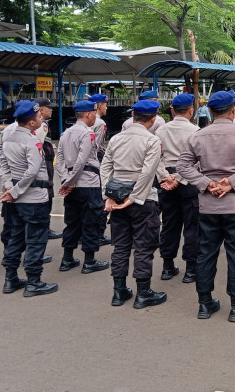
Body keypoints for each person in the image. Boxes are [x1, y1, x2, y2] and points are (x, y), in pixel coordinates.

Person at [177, 90, 235, 322]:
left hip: (208, 205)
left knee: (205, 254)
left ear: (210, 111)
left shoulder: (198, 136)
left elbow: (183, 166)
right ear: (234, 110)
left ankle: (205, 304)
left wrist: (207, 183)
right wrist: (233, 182)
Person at [101, 99, 166, 309]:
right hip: (143, 200)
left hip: (117, 198)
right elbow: (148, 173)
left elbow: (105, 168)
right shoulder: (152, 140)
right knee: (143, 247)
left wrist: (108, 196)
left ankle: (118, 292)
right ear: (153, 118)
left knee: (120, 246)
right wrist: (134, 197)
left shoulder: (115, 139)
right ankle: (143, 293)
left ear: (133, 116)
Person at [0, 100, 58, 297]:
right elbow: (33, 170)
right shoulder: (31, 140)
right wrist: (15, 191)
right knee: (35, 240)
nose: (41, 119)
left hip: (15, 199)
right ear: (32, 123)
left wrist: (9, 188)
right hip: (33, 198)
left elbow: (4, 165)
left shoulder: (8, 137)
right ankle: (33, 282)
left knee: (16, 238)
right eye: (38, 117)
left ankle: (10, 278)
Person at [55, 100, 109, 275]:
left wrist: (65, 180)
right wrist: (71, 181)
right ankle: (89, 261)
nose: (95, 116)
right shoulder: (88, 133)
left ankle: (67, 258)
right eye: (93, 113)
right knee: (90, 221)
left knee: (72, 222)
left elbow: (60, 160)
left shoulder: (66, 132)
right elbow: (82, 160)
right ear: (87, 114)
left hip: (72, 184)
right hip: (87, 183)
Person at [155, 93, 200, 283]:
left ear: (172, 111)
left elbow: (155, 158)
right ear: (191, 110)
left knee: (169, 223)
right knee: (192, 225)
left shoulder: (160, 131)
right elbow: (198, 160)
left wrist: (167, 177)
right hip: (188, 180)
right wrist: (180, 178)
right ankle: (190, 269)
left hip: (166, 179)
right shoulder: (196, 130)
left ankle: (167, 266)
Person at [33, 97, 62, 239]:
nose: (51, 109)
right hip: (44, 163)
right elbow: (37, 146)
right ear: (41, 109)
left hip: (45, 162)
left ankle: (45, 227)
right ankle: (45, 228)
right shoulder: (41, 126)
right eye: (48, 107)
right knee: (46, 195)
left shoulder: (42, 124)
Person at [89, 93, 111, 247]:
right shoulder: (100, 122)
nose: (106, 107)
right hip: (97, 160)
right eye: (105, 104)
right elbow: (96, 146)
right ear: (99, 105)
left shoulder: (84, 121)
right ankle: (99, 233)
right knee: (102, 196)